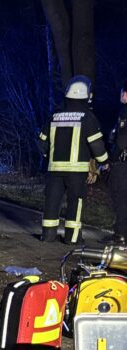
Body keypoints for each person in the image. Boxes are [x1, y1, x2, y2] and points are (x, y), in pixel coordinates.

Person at [39, 75, 107, 244]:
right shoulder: (88, 118)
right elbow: (97, 146)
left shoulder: (55, 115)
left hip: (55, 169)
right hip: (77, 172)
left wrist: (49, 156)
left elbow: (41, 143)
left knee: (52, 202)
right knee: (75, 203)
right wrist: (104, 162)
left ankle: (48, 236)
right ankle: (73, 238)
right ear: (87, 96)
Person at [107, 83, 127, 244]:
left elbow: (121, 141)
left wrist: (112, 159)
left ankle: (120, 233)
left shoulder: (125, 112)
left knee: (120, 198)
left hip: (122, 163)